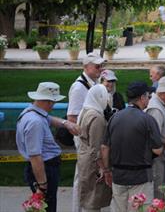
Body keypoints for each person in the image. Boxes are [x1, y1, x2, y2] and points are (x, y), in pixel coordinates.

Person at [16, 82, 80, 212]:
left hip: (44, 168)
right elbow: (35, 157)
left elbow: (48, 119)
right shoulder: (35, 123)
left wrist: (65, 123)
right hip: (45, 169)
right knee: (47, 207)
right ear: (49, 102)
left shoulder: (31, 112)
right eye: (53, 102)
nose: (53, 105)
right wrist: (42, 185)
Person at [101, 81, 162, 212]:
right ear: (142, 97)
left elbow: (105, 148)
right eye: (148, 96)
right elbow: (158, 150)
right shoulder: (148, 120)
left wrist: (106, 170)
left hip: (118, 176)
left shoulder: (114, 118)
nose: (149, 99)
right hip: (141, 177)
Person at [69, 52, 105, 212]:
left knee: (89, 177)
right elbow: (72, 117)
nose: (100, 68)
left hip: (92, 137)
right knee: (82, 177)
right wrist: (83, 140)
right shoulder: (79, 87)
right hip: (85, 139)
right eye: (97, 66)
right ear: (86, 67)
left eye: (101, 65)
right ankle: (78, 208)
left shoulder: (94, 82)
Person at [77, 85, 112, 212]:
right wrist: (103, 168)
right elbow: (96, 147)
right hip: (93, 163)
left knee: (88, 197)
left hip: (84, 158)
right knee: (93, 200)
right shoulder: (97, 118)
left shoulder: (86, 110)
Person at [144, 75, 165, 198]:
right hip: (156, 159)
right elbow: (153, 138)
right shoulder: (156, 109)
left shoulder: (163, 105)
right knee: (159, 193)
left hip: (162, 157)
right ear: (164, 93)